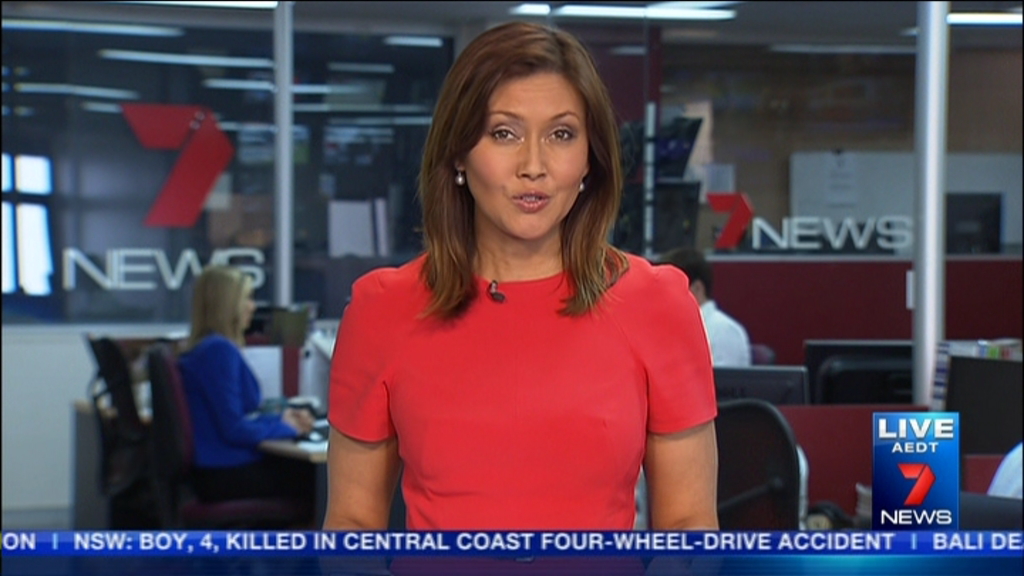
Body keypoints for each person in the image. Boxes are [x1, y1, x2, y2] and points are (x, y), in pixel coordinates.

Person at [324, 21, 718, 533]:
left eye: (561, 134)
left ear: (589, 160)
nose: (534, 165)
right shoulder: (383, 308)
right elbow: (352, 526)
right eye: (504, 133)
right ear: (459, 152)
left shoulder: (657, 304)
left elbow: (689, 527)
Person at [177, 265, 315, 507]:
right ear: (227, 305)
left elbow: (237, 415)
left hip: (216, 471)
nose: (252, 307)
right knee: (323, 480)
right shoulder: (218, 351)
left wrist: (280, 419)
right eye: (247, 299)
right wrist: (288, 428)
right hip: (225, 473)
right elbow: (234, 428)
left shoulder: (205, 348)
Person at [662, 247, 751, 367]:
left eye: (669, 288)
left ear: (697, 288)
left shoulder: (723, 331)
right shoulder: (670, 329)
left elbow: (721, 378)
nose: (663, 296)